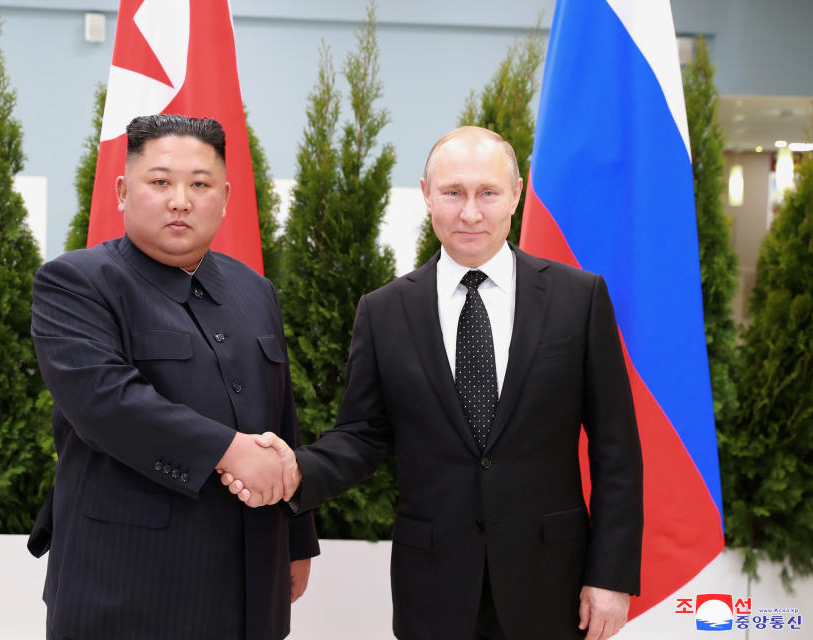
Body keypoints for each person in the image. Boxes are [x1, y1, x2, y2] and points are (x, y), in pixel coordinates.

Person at [224, 126, 643, 640]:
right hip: (434, 587)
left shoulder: (580, 299)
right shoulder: (383, 311)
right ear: (426, 194)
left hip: (552, 583)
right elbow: (361, 436)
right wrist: (293, 471)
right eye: (453, 193)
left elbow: (616, 450)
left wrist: (610, 576)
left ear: (516, 194)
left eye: (488, 192)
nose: (470, 212)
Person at [28, 114, 318, 640]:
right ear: (122, 190)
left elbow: (281, 422)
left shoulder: (255, 291)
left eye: (200, 184)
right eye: (160, 181)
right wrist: (230, 451)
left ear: (225, 197)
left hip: (251, 585)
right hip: (126, 588)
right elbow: (106, 403)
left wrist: (296, 541)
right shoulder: (76, 283)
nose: (180, 200)